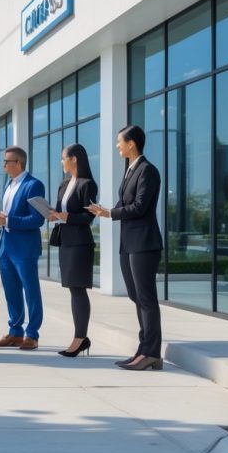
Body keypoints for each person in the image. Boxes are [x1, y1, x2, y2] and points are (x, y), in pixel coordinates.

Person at [88, 125, 164, 371]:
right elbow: (125, 203)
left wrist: (109, 213)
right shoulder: (130, 170)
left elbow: (140, 207)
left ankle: (151, 352)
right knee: (135, 296)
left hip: (144, 244)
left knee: (146, 298)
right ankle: (144, 349)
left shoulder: (147, 171)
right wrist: (103, 210)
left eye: (120, 141)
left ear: (132, 143)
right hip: (129, 243)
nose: (117, 145)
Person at [0, 146, 46, 350]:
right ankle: (15, 332)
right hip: (5, 245)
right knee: (11, 291)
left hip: (24, 247)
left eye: (7, 162)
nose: (3, 165)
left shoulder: (34, 185)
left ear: (18, 164)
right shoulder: (9, 184)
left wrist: (9, 221)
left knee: (30, 290)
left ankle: (32, 334)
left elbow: (37, 219)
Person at [46, 144, 98, 358]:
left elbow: (89, 217)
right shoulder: (64, 184)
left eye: (63, 158)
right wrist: (54, 215)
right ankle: (80, 337)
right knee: (72, 289)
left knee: (78, 289)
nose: (62, 162)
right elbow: (61, 211)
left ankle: (80, 338)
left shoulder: (88, 185)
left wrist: (66, 217)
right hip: (66, 242)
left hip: (80, 244)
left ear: (74, 159)